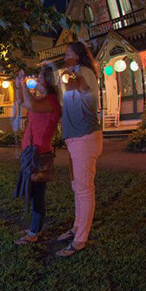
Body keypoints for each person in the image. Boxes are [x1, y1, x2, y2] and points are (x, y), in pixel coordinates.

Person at [56, 41, 103, 257]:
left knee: (84, 190)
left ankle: (80, 239)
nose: (65, 57)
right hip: (74, 138)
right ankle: (76, 227)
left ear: (78, 55)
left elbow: (82, 87)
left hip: (85, 137)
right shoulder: (72, 74)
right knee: (77, 187)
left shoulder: (84, 72)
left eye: (69, 53)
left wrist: (70, 75)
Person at [13, 65, 61, 245]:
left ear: (48, 80)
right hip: (32, 154)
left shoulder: (51, 101)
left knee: (37, 193)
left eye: (40, 78)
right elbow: (22, 102)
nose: (37, 81)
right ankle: (35, 228)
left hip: (40, 155)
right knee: (33, 192)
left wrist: (25, 84)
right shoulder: (42, 99)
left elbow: (31, 104)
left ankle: (34, 232)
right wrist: (18, 85)